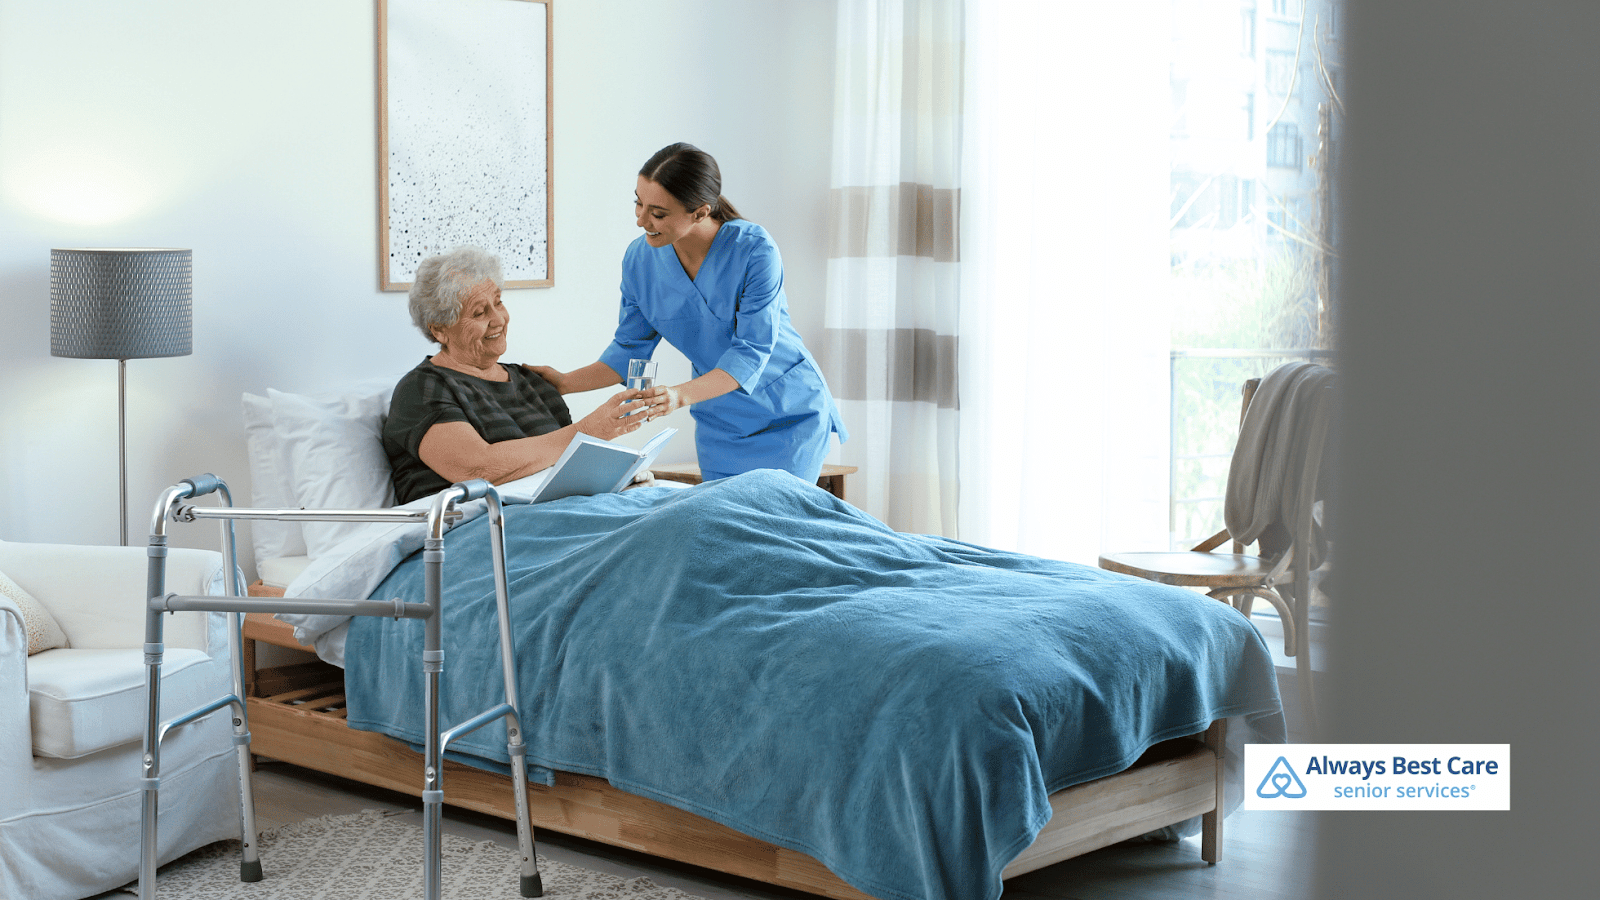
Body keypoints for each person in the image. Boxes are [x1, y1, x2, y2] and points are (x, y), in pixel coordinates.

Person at [530, 142, 847, 483]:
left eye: (658, 213)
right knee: (724, 528)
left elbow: (751, 352)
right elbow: (629, 350)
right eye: (638, 202)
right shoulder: (640, 261)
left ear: (700, 212)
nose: (640, 220)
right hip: (720, 420)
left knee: (776, 524)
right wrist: (563, 382)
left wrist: (678, 396)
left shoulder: (754, 250)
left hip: (788, 414)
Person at [382, 246, 660, 505]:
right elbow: (476, 468)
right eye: (479, 312)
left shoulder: (533, 383)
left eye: (498, 303)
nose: (499, 319)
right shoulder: (422, 389)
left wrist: (616, 481)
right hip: (478, 531)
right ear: (440, 330)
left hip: (557, 517)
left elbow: (562, 471)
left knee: (692, 507)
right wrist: (588, 431)